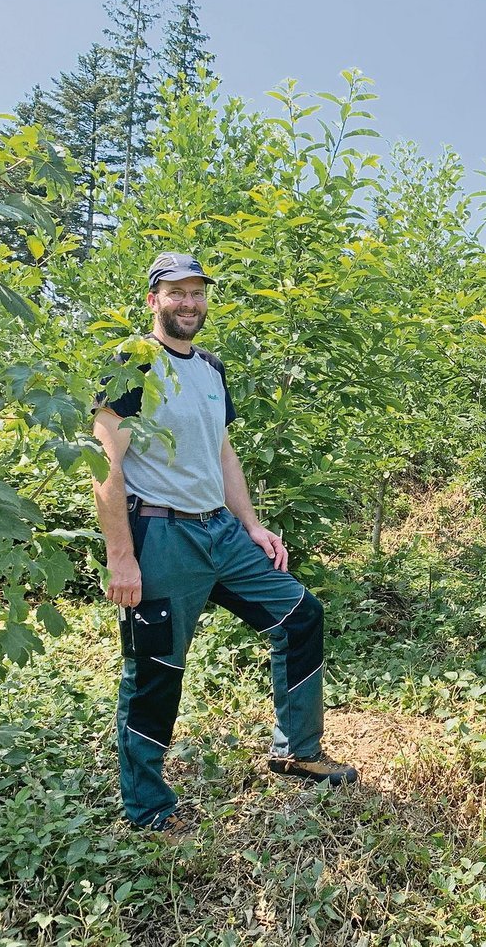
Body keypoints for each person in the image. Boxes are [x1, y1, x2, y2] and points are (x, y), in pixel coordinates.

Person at [92, 251, 357, 833]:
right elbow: (104, 463)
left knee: (300, 614)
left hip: (221, 531)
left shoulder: (210, 368)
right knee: (155, 667)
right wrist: (122, 557)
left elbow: (222, 452)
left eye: (196, 292)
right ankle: (149, 810)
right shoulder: (130, 364)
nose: (188, 303)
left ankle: (297, 751)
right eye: (175, 292)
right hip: (160, 534)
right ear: (153, 299)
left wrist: (253, 525)